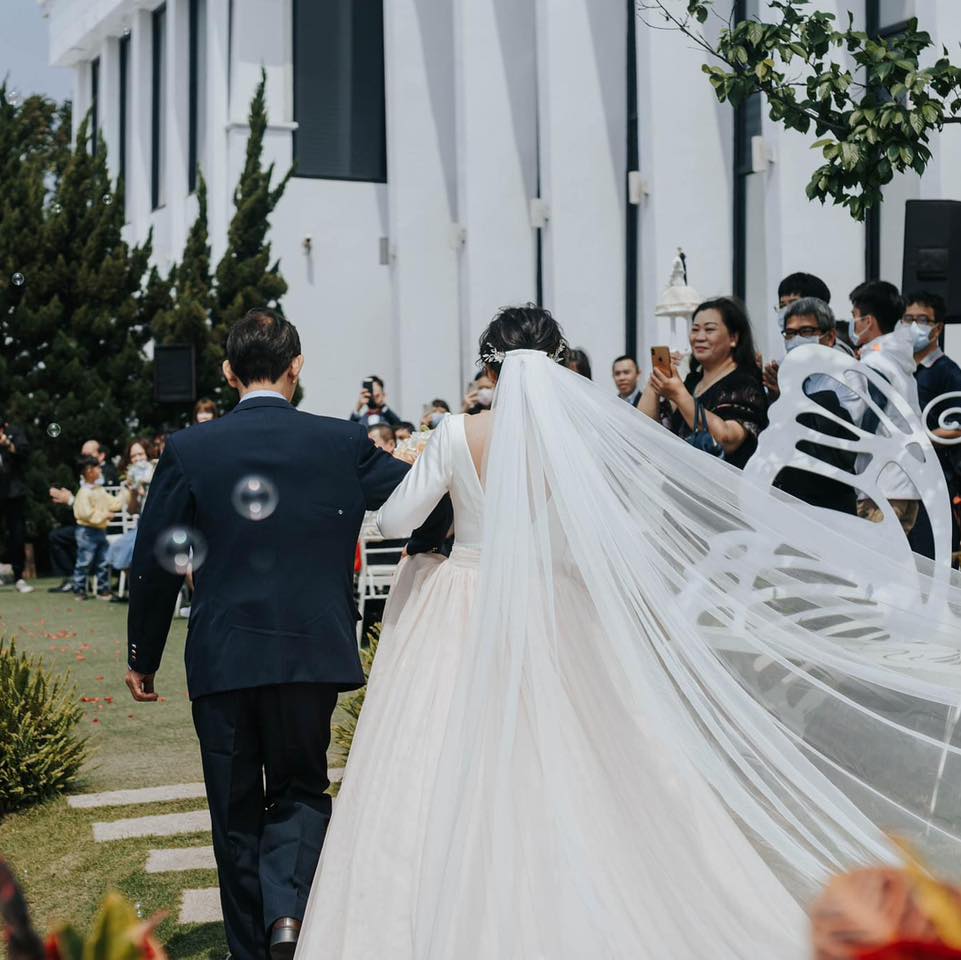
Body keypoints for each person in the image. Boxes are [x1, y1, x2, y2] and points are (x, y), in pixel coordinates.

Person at [297, 303, 961, 959]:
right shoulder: (572, 435)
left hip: (461, 596)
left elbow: (395, 518)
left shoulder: (456, 433)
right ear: (555, 361)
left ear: (490, 366)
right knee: (569, 745)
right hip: (551, 598)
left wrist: (401, 516)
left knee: (435, 748)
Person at [125, 307, 450, 960]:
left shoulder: (190, 448)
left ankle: (253, 948)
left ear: (226, 370)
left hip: (224, 657)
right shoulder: (339, 442)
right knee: (301, 791)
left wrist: (144, 654)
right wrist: (427, 549)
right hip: (310, 651)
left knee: (234, 815)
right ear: (296, 367)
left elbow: (157, 557)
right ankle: (290, 919)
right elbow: (431, 498)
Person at [639, 297, 767, 469]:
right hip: (678, 487)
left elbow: (726, 438)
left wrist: (679, 395)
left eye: (709, 330)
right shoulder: (691, 383)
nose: (699, 337)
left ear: (733, 338)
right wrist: (656, 381)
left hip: (722, 491)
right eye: (695, 329)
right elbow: (641, 430)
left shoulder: (745, 384)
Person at [767, 298, 858, 515]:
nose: (796, 340)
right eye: (790, 333)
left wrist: (789, 400)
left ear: (829, 338)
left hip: (831, 496)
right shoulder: (793, 378)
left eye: (806, 331)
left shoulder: (847, 377)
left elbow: (839, 436)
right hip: (792, 495)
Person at [848, 280, 922, 535]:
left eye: (855, 317)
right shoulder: (899, 358)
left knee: (872, 564)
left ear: (868, 321)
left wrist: (850, 445)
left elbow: (872, 413)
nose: (853, 324)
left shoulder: (876, 360)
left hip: (881, 484)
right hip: (906, 481)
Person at [902, 290, 961, 559]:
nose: (913, 326)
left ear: (937, 328)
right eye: (907, 319)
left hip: (938, 482)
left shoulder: (947, 372)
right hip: (905, 480)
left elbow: (958, 427)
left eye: (921, 320)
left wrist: (920, 439)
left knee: (932, 558)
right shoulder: (902, 369)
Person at [71, 456, 130, 600]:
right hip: (86, 532)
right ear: (89, 471)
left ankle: (104, 590)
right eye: (97, 468)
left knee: (103, 561)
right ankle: (79, 588)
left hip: (100, 530)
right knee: (84, 561)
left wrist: (126, 491)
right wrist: (105, 515)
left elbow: (114, 503)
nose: (100, 470)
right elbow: (86, 514)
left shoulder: (99, 490)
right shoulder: (84, 492)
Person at [105, 439, 153, 579]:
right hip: (142, 527)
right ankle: (137, 589)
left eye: (140, 454)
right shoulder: (131, 480)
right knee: (120, 547)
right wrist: (134, 492)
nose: (137, 458)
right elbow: (132, 511)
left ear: (147, 454)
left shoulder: (156, 470)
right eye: (133, 456)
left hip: (159, 525)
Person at [0, 417, 32, 593]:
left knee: (17, 534)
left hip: (14, 493)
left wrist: (7, 443)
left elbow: (25, 453)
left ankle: (19, 576)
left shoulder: (14, 432)